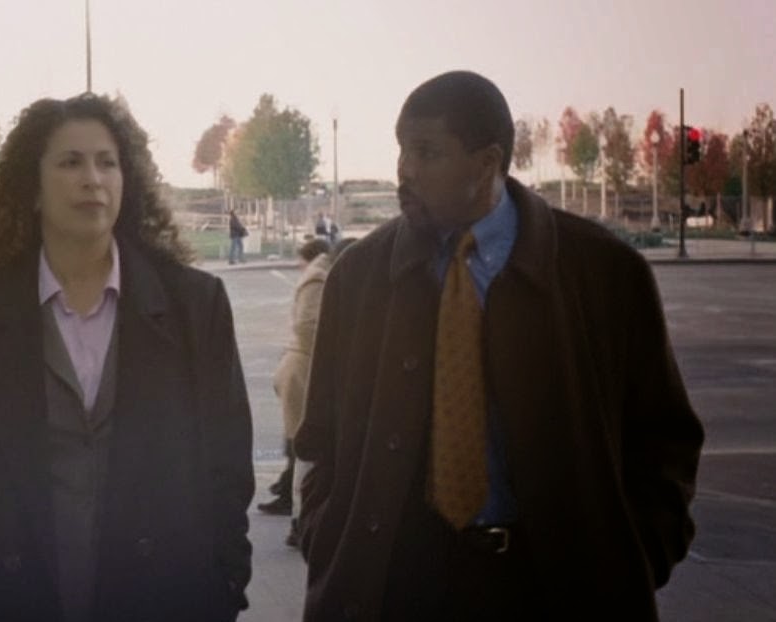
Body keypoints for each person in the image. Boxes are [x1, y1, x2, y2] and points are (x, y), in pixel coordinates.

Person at [294, 70, 704, 620]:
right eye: (402, 150)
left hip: (547, 592)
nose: (404, 170)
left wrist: (632, 560)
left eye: (427, 152)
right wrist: (327, 537)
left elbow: (664, 442)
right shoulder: (359, 277)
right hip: (396, 589)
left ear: (487, 163)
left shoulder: (605, 274)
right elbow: (320, 440)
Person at [0, 93, 254, 622]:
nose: (92, 179)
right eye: (70, 162)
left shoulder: (194, 304)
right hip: (13, 599)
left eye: (106, 162)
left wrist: (226, 585)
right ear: (32, 187)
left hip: (161, 599)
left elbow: (227, 464)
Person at [258, 238, 332, 520]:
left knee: (297, 438)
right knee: (301, 442)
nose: (298, 264)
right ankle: (293, 502)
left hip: (300, 368)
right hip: (303, 369)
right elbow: (307, 327)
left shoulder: (318, 275)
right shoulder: (318, 278)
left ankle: (287, 490)